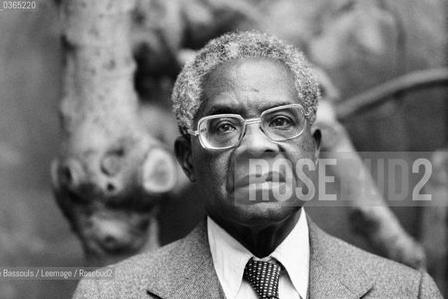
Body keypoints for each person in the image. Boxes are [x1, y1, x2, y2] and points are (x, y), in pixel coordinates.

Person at [73, 31, 442, 299]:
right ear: (188, 159)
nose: (256, 146)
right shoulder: (112, 294)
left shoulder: (407, 293)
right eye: (224, 126)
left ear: (313, 151)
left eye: (281, 122)